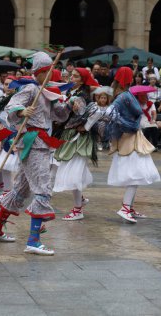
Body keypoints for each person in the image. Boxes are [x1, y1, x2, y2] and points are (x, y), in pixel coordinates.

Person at [0, 52, 71, 255]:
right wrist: (21, 111)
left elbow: (59, 115)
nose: (51, 75)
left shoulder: (48, 91)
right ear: (40, 72)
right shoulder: (32, 88)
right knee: (42, 186)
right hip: (33, 143)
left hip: (40, 143)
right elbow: (11, 105)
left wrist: (69, 105)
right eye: (48, 71)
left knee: (21, 189)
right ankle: (33, 241)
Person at [107, 67, 160, 223]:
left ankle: (128, 207)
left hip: (131, 137)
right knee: (135, 174)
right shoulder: (124, 96)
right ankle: (125, 208)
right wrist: (127, 125)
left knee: (136, 173)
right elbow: (110, 113)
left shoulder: (123, 95)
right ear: (129, 79)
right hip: (129, 137)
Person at [53, 68, 101, 221]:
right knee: (72, 169)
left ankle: (78, 209)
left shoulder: (82, 95)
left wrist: (84, 125)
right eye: (71, 75)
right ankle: (80, 201)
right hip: (71, 134)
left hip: (78, 137)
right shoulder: (73, 93)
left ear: (82, 79)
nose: (71, 78)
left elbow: (92, 112)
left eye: (75, 76)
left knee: (74, 171)